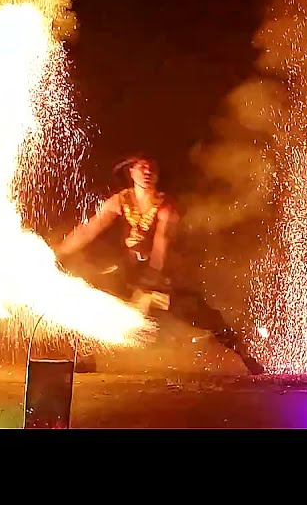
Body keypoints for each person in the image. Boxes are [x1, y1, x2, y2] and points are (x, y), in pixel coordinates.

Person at [54, 154, 265, 375]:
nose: (146, 172)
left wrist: (150, 284)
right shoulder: (121, 200)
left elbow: (162, 242)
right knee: (89, 291)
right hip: (131, 274)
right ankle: (85, 356)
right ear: (131, 172)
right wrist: (59, 250)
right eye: (141, 167)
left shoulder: (165, 205)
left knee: (204, 317)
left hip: (165, 276)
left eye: (151, 168)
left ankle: (246, 356)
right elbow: (89, 229)